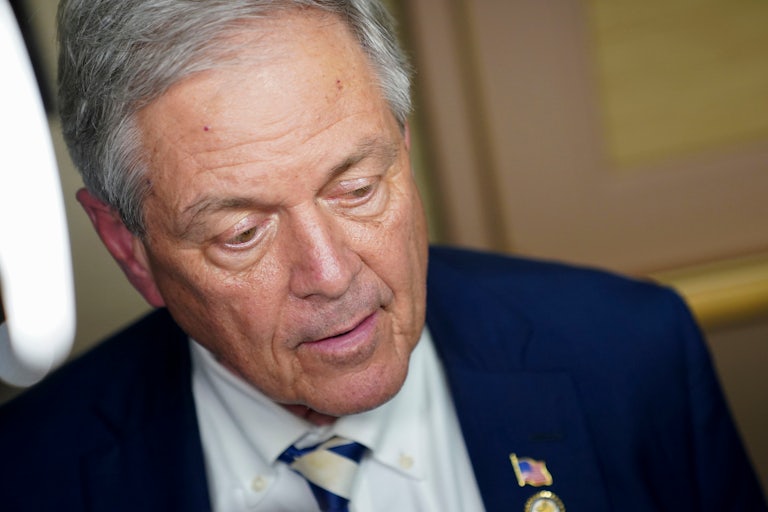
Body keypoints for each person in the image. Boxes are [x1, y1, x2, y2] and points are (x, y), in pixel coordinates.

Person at [0, 0, 764, 510]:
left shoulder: (634, 354)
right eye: (243, 234)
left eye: (358, 187)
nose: (331, 275)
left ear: (403, 148)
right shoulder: (29, 475)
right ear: (128, 249)